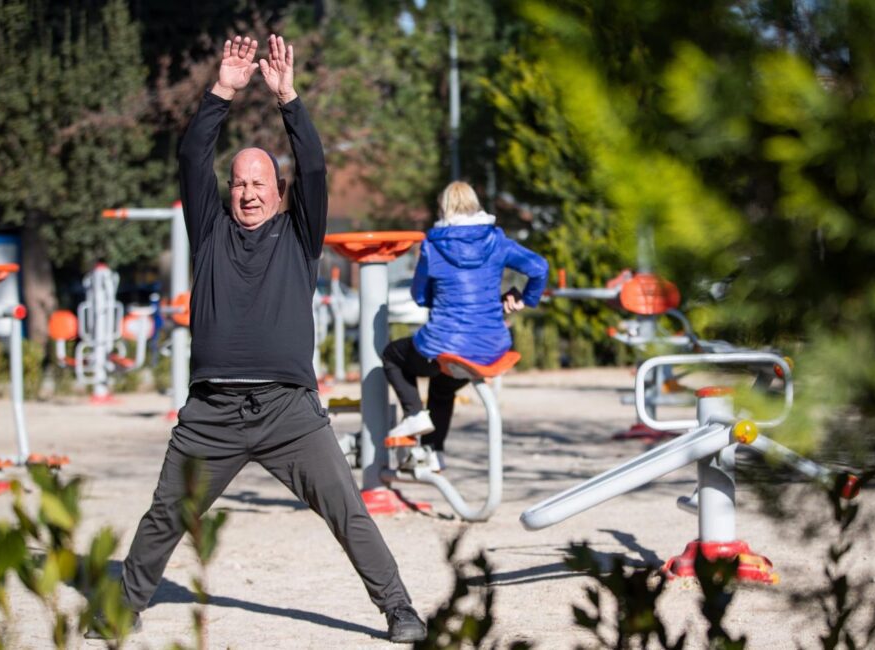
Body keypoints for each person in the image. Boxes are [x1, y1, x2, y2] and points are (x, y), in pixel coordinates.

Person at [86, 35, 427, 643]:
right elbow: (193, 157)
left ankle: (400, 610)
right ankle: (122, 607)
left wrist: (287, 98)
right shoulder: (211, 231)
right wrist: (222, 90)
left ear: (277, 191)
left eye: (259, 183)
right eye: (239, 182)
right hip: (211, 414)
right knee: (167, 512)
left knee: (348, 512)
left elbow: (315, 166)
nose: (247, 192)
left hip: (288, 411)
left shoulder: (299, 235)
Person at [382, 181, 549, 471]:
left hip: (445, 345)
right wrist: (523, 298)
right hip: (492, 347)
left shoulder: (433, 245)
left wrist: (444, 296)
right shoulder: (496, 240)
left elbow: (420, 296)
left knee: (392, 355)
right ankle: (433, 451)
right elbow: (540, 268)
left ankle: (414, 414)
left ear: (443, 207)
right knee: (443, 388)